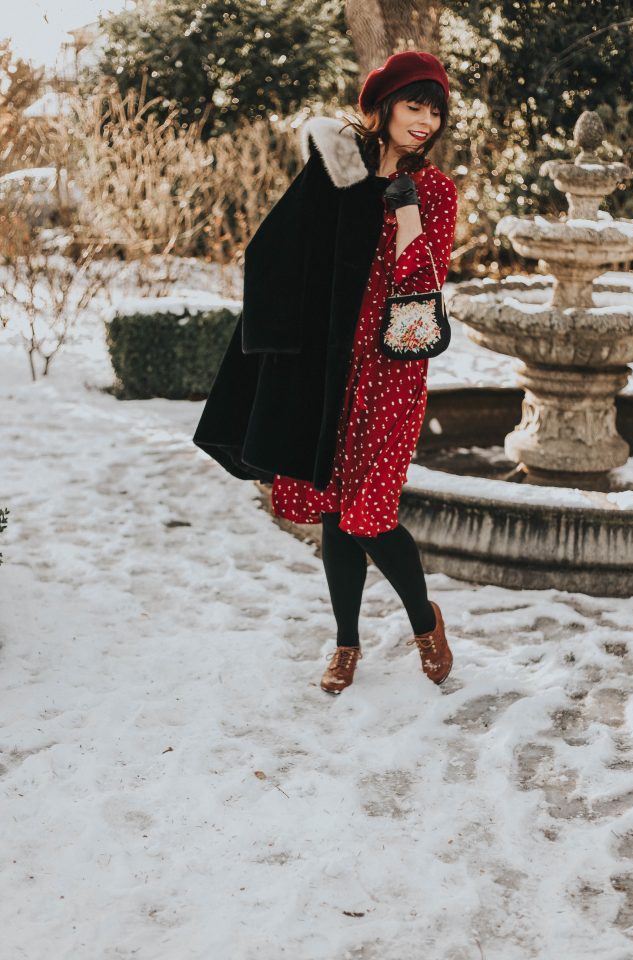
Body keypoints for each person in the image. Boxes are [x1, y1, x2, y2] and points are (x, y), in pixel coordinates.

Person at [193, 51, 457, 695]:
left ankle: (425, 622)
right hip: (332, 362)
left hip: (393, 366)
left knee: (369, 512)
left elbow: (424, 282)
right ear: (385, 106)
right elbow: (278, 249)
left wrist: (407, 215)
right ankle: (345, 643)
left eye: (434, 111)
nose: (423, 121)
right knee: (336, 509)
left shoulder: (435, 189)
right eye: (412, 106)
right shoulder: (338, 173)